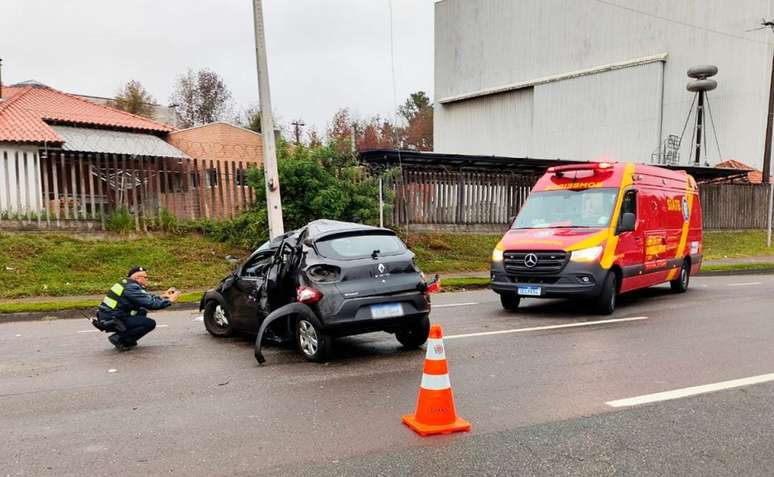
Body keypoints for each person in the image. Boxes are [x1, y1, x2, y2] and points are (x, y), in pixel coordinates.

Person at [96, 266, 181, 351]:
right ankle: (120, 338)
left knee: (141, 312)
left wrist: (162, 296)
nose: (147, 279)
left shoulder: (127, 283)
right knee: (149, 323)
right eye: (146, 277)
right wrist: (170, 300)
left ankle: (128, 338)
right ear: (138, 278)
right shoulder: (131, 288)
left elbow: (145, 297)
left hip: (110, 315)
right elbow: (151, 304)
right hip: (112, 319)